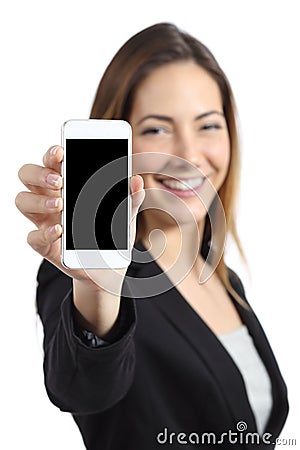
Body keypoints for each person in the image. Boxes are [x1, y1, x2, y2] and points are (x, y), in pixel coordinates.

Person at [16, 23, 288, 449]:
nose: (189, 154)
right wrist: (96, 287)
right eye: (158, 129)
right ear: (120, 143)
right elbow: (83, 390)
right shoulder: (81, 275)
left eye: (209, 125)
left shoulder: (220, 276)